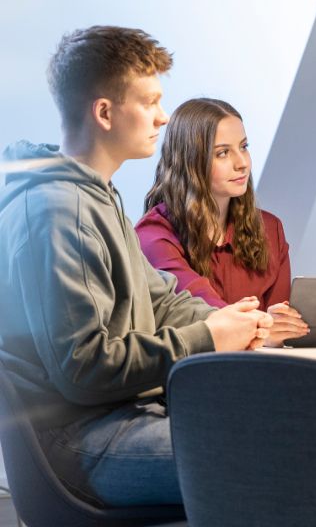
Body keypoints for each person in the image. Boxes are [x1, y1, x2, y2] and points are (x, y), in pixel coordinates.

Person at [0, 26, 273, 508]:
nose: (163, 117)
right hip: (82, 440)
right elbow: (84, 369)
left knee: (288, 428)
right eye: (149, 102)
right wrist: (209, 338)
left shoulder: (97, 196)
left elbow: (161, 297)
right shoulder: (58, 212)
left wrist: (233, 321)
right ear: (105, 112)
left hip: (123, 417)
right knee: (273, 454)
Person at [136, 98, 308, 347]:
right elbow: (209, 316)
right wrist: (262, 328)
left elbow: (280, 333)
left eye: (244, 146)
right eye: (223, 153)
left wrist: (276, 329)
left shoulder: (271, 228)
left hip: (260, 366)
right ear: (191, 161)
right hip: (194, 367)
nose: (242, 163)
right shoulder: (153, 235)